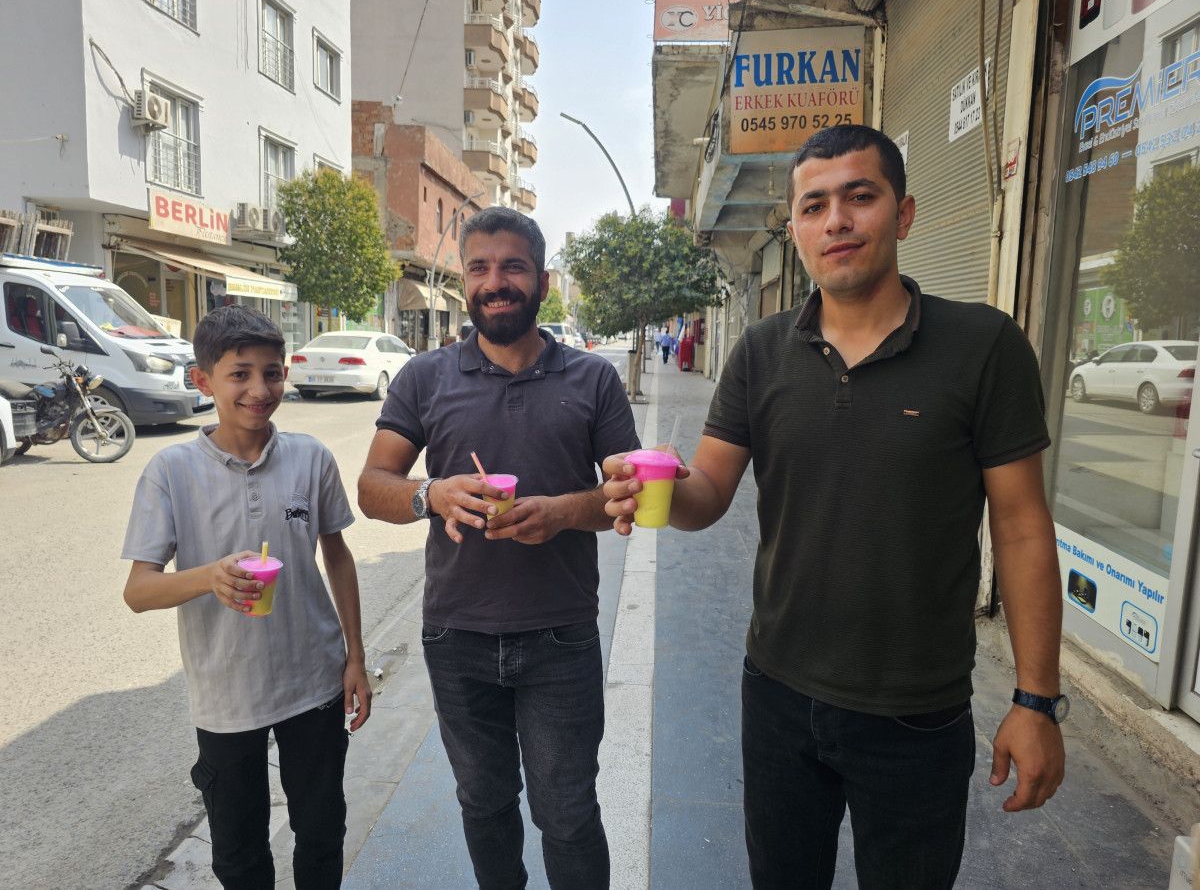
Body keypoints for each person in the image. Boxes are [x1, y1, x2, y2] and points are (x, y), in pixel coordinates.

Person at [602, 125, 1066, 890]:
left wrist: (1036, 699)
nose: (837, 221)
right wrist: (654, 489)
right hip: (777, 692)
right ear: (794, 231)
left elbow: (1021, 528)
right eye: (814, 206)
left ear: (903, 213)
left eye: (860, 196)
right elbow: (708, 491)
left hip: (918, 710)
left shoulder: (984, 347)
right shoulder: (760, 351)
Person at [358, 206, 639, 889]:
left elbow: (624, 495)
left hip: (561, 636)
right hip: (457, 636)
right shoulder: (424, 377)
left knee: (568, 814)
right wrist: (432, 495)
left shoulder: (593, 379)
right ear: (464, 281)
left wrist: (563, 512)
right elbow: (372, 487)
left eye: (513, 266)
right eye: (479, 268)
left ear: (540, 280)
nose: (495, 282)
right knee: (483, 805)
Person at [121, 305, 371, 889]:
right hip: (226, 694)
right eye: (240, 374)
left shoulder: (311, 458)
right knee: (239, 853)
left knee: (321, 831)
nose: (260, 390)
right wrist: (209, 577)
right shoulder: (171, 471)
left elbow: (337, 556)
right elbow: (138, 590)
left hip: (314, 682)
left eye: (272, 373)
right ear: (203, 380)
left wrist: (355, 656)